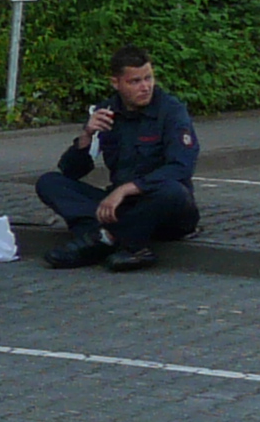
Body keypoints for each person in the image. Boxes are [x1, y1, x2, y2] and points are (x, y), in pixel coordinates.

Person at [39, 48, 199, 271]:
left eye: (148, 78)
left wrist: (126, 189)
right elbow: (71, 171)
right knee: (49, 183)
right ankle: (118, 239)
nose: (145, 87)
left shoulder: (171, 111)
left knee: (173, 191)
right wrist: (86, 135)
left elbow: (181, 167)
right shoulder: (106, 112)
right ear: (116, 83)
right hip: (121, 207)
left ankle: (104, 239)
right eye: (135, 81)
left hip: (161, 207)